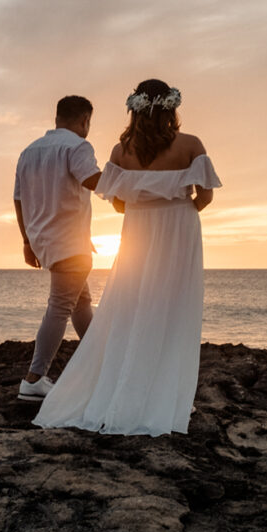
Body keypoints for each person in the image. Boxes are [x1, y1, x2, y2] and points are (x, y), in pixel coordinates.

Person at [32, 78, 221, 436]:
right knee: (173, 308)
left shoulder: (121, 150)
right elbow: (206, 197)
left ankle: (123, 391)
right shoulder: (191, 144)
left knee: (133, 307)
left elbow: (116, 200)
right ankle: (164, 395)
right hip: (180, 228)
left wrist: (141, 207)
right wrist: (181, 211)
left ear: (133, 109)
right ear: (171, 107)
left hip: (137, 229)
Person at [13, 95, 102, 401]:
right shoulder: (77, 146)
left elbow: (18, 199)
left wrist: (26, 241)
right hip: (70, 241)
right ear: (84, 120)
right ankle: (34, 378)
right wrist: (132, 186)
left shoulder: (29, 151)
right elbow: (93, 180)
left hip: (44, 239)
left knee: (80, 302)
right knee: (61, 306)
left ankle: (99, 362)